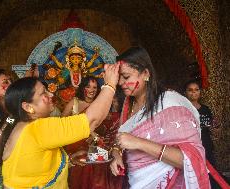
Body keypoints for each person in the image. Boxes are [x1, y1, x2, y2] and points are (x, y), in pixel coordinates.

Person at [0, 63, 119, 188]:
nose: (51, 94)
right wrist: (110, 84)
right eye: (43, 93)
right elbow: (91, 120)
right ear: (28, 107)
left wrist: (70, 160)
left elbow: (36, 167)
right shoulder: (38, 128)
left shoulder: (20, 127)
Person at [110, 47, 210, 188]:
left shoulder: (170, 105)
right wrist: (117, 154)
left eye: (126, 77)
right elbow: (121, 140)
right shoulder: (128, 104)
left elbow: (190, 159)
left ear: (145, 74)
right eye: (119, 77)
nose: (120, 82)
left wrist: (139, 143)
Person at [61, 76, 124, 189]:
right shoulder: (74, 102)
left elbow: (105, 127)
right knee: (82, 164)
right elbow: (62, 125)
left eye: (95, 87)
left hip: (94, 144)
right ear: (83, 88)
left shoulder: (100, 103)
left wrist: (97, 135)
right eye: (88, 86)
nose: (92, 90)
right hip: (74, 145)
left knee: (103, 162)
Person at [184, 79, 218, 188]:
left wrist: (215, 125)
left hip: (206, 144)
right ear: (185, 92)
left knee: (210, 170)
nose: (194, 92)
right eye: (190, 90)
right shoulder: (183, 109)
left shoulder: (205, 109)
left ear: (200, 92)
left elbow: (212, 126)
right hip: (191, 146)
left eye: (196, 90)